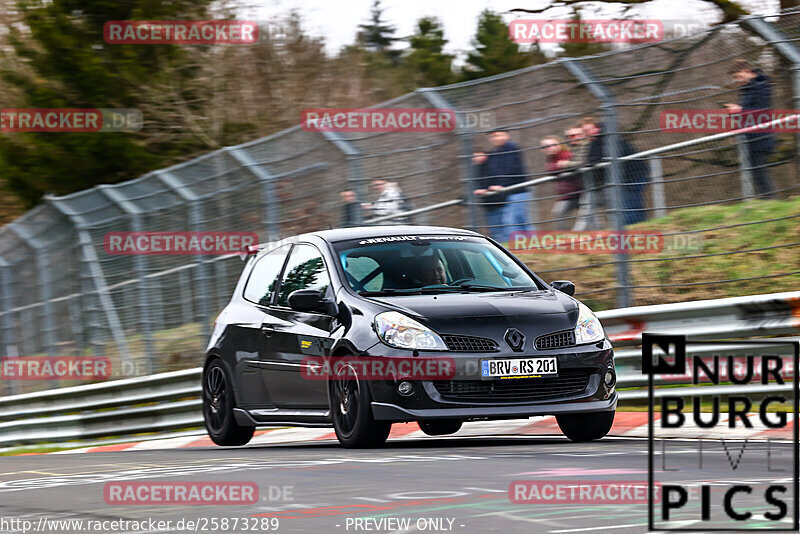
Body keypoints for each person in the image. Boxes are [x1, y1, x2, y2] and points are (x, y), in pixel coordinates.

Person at [583, 117, 650, 226]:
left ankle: (635, 229)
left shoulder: (607, 138)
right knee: (630, 205)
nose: (587, 134)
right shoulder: (598, 140)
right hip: (625, 177)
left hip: (632, 175)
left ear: (597, 128)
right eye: (585, 132)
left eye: (588, 130)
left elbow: (598, 157)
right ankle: (638, 227)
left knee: (630, 206)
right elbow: (592, 159)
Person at [725, 59, 776, 198]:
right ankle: (766, 200)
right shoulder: (747, 89)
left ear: (747, 71)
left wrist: (739, 110)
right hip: (750, 137)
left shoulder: (761, 86)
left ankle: (769, 200)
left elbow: (760, 112)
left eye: (738, 76)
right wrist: (736, 112)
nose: (737, 80)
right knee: (757, 172)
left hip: (760, 137)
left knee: (760, 171)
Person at [472, 129, 533, 242]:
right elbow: (493, 172)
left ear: (507, 135)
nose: (496, 138)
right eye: (493, 136)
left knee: (515, 220)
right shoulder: (495, 152)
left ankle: (525, 245)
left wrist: (501, 184)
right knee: (517, 220)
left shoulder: (511, 148)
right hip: (507, 191)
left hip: (517, 190)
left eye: (499, 135)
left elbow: (510, 169)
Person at [542, 135, 581, 230]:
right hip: (566, 195)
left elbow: (572, 166)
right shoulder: (550, 159)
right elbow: (551, 169)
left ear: (559, 145)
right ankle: (564, 238)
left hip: (579, 192)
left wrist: (562, 166)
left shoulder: (566, 154)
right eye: (544, 147)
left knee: (588, 217)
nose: (548, 149)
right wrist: (559, 166)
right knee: (558, 213)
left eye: (551, 145)